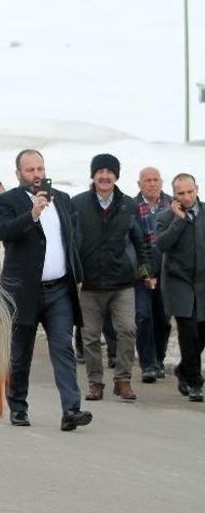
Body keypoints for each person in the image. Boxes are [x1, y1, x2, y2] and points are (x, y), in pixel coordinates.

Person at [0, 149, 92, 431]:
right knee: (20, 353)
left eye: (40, 169)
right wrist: (32, 214)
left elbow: (70, 241)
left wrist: (78, 275)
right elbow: (4, 232)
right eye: (30, 170)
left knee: (63, 347)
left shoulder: (61, 199)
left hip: (59, 289)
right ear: (18, 174)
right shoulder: (5, 201)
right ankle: (18, 407)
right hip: (23, 291)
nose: (36, 175)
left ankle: (71, 410)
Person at [71, 154, 152, 401]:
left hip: (122, 283)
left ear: (116, 176)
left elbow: (141, 242)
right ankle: (95, 382)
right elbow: (71, 244)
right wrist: (75, 274)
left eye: (110, 172)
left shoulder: (128, 205)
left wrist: (147, 272)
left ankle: (123, 380)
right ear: (93, 175)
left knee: (127, 330)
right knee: (90, 336)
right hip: (89, 284)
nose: (105, 176)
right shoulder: (77, 204)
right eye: (100, 171)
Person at [155, 173, 205, 402]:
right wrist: (179, 219)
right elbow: (162, 244)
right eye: (181, 193)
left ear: (197, 189)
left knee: (201, 334)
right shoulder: (165, 216)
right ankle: (195, 382)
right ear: (174, 195)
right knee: (188, 333)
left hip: (203, 283)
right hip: (179, 282)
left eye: (190, 192)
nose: (186, 197)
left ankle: (183, 369)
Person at [134, 166, 173, 383]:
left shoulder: (172, 204)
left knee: (163, 319)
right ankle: (147, 364)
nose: (152, 183)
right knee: (143, 316)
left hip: (167, 271)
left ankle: (159, 359)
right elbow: (133, 243)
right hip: (142, 272)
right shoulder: (132, 206)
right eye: (147, 180)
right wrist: (146, 272)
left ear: (161, 181)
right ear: (139, 184)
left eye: (155, 179)